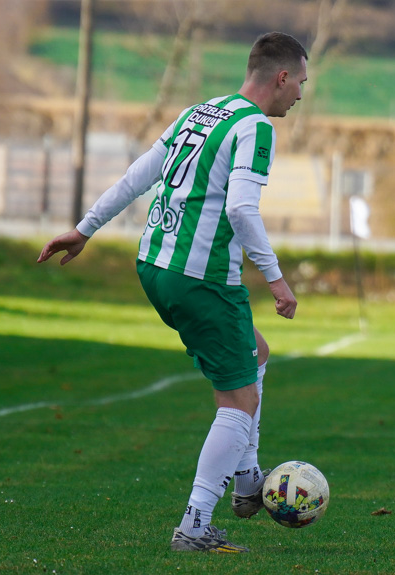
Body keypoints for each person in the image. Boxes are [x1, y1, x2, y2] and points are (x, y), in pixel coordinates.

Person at [37, 32, 308, 553]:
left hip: (155, 263)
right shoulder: (254, 128)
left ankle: (249, 481)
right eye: (300, 81)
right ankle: (195, 524)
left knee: (256, 354)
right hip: (201, 276)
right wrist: (275, 278)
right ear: (280, 77)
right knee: (238, 400)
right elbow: (241, 210)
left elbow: (142, 172)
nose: (300, 93)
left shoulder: (202, 111)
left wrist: (85, 227)